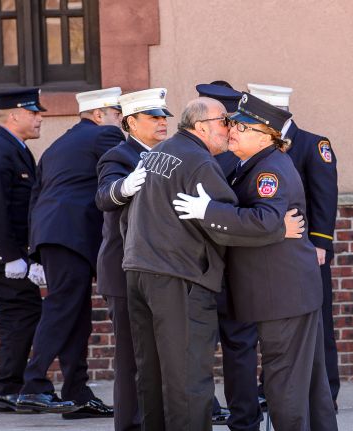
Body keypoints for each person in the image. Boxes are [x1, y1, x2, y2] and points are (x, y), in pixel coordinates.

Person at [121, 97, 302, 431]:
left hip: (139, 272)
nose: (230, 128)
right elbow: (227, 224)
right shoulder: (200, 163)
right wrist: (279, 227)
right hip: (180, 278)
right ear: (201, 126)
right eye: (224, 121)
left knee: (152, 371)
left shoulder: (158, 153)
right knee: (187, 377)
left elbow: (128, 215)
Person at [173, 93, 338, 431]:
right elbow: (266, 221)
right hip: (284, 292)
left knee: (285, 385)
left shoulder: (269, 171)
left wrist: (210, 212)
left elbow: (263, 220)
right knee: (307, 384)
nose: (233, 131)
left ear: (266, 135)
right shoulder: (251, 164)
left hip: (283, 295)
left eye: (243, 127)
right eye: (233, 124)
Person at [17, 87, 123, 417]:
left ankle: (76, 392)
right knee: (63, 308)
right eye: (116, 113)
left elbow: (37, 195)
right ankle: (33, 386)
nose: (120, 119)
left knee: (76, 316)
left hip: (56, 236)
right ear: (97, 115)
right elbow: (124, 172)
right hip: (72, 236)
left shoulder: (59, 144)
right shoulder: (104, 136)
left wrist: (36, 248)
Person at [249, 83, 340, 409]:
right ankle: (272, 389)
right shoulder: (261, 147)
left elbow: (325, 198)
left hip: (307, 252)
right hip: (275, 252)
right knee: (276, 325)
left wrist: (320, 244)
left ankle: (326, 392)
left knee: (317, 324)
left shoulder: (313, 145)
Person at [94, 87, 171, 430]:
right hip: (123, 271)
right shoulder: (119, 155)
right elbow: (104, 196)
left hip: (157, 270)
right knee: (132, 359)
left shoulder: (168, 155)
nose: (161, 122)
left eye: (163, 116)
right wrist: (124, 187)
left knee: (157, 358)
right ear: (130, 122)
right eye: (152, 117)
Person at [0, 88, 45, 413]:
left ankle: (11, 387)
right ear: (15, 114)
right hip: (5, 259)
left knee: (21, 316)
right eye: (34, 113)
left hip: (15, 256)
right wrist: (12, 256)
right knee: (22, 315)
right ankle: (10, 389)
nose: (40, 118)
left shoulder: (15, 150)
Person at [196, 81, 261, 431]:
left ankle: (213, 412)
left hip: (209, 267)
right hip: (230, 267)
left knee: (204, 348)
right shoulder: (235, 158)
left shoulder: (203, 156)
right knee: (239, 349)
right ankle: (244, 420)